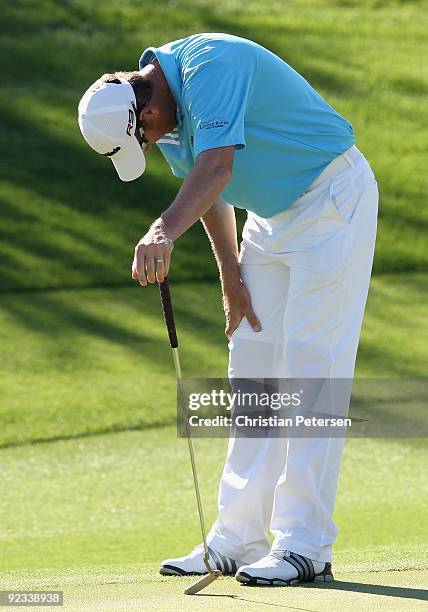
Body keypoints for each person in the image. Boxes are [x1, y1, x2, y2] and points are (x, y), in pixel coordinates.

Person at [78, 32, 378, 586]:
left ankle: (305, 544)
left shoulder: (210, 66)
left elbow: (216, 167)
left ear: (146, 107)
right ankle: (237, 539)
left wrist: (162, 229)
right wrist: (232, 278)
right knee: (253, 370)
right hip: (269, 219)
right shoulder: (159, 111)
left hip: (332, 200)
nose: (147, 146)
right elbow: (211, 188)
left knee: (312, 370)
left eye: (141, 137)